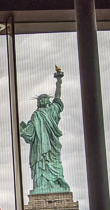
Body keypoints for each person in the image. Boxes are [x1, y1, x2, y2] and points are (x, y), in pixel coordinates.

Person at [19, 66, 71, 195]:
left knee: (54, 162)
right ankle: (41, 185)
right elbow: (29, 133)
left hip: (51, 145)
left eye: (44, 98)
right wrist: (23, 130)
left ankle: (56, 184)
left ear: (48, 101)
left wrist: (59, 81)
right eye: (40, 99)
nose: (42, 100)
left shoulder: (52, 110)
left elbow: (58, 98)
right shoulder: (36, 115)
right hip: (39, 148)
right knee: (41, 164)